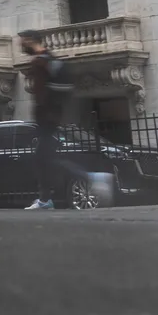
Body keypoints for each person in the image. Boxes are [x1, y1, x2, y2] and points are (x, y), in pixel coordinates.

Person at [20, 30, 111, 210]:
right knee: (42, 158)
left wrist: (48, 108)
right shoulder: (46, 60)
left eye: (22, 42)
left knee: (48, 158)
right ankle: (45, 200)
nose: (21, 46)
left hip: (48, 118)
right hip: (47, 117)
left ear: (31, 41)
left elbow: (62, 87)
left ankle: (89, 177)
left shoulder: (45, 61)